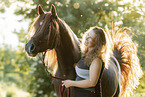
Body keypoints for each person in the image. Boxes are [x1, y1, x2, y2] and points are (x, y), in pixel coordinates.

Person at [62, 26, 109, 97]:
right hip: (79, 93)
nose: (87, 38)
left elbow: (92, 82)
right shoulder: (85, 55)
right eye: (87, 35)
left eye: (91, 38)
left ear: (97, 43)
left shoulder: (96, 60)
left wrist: (71, 83)